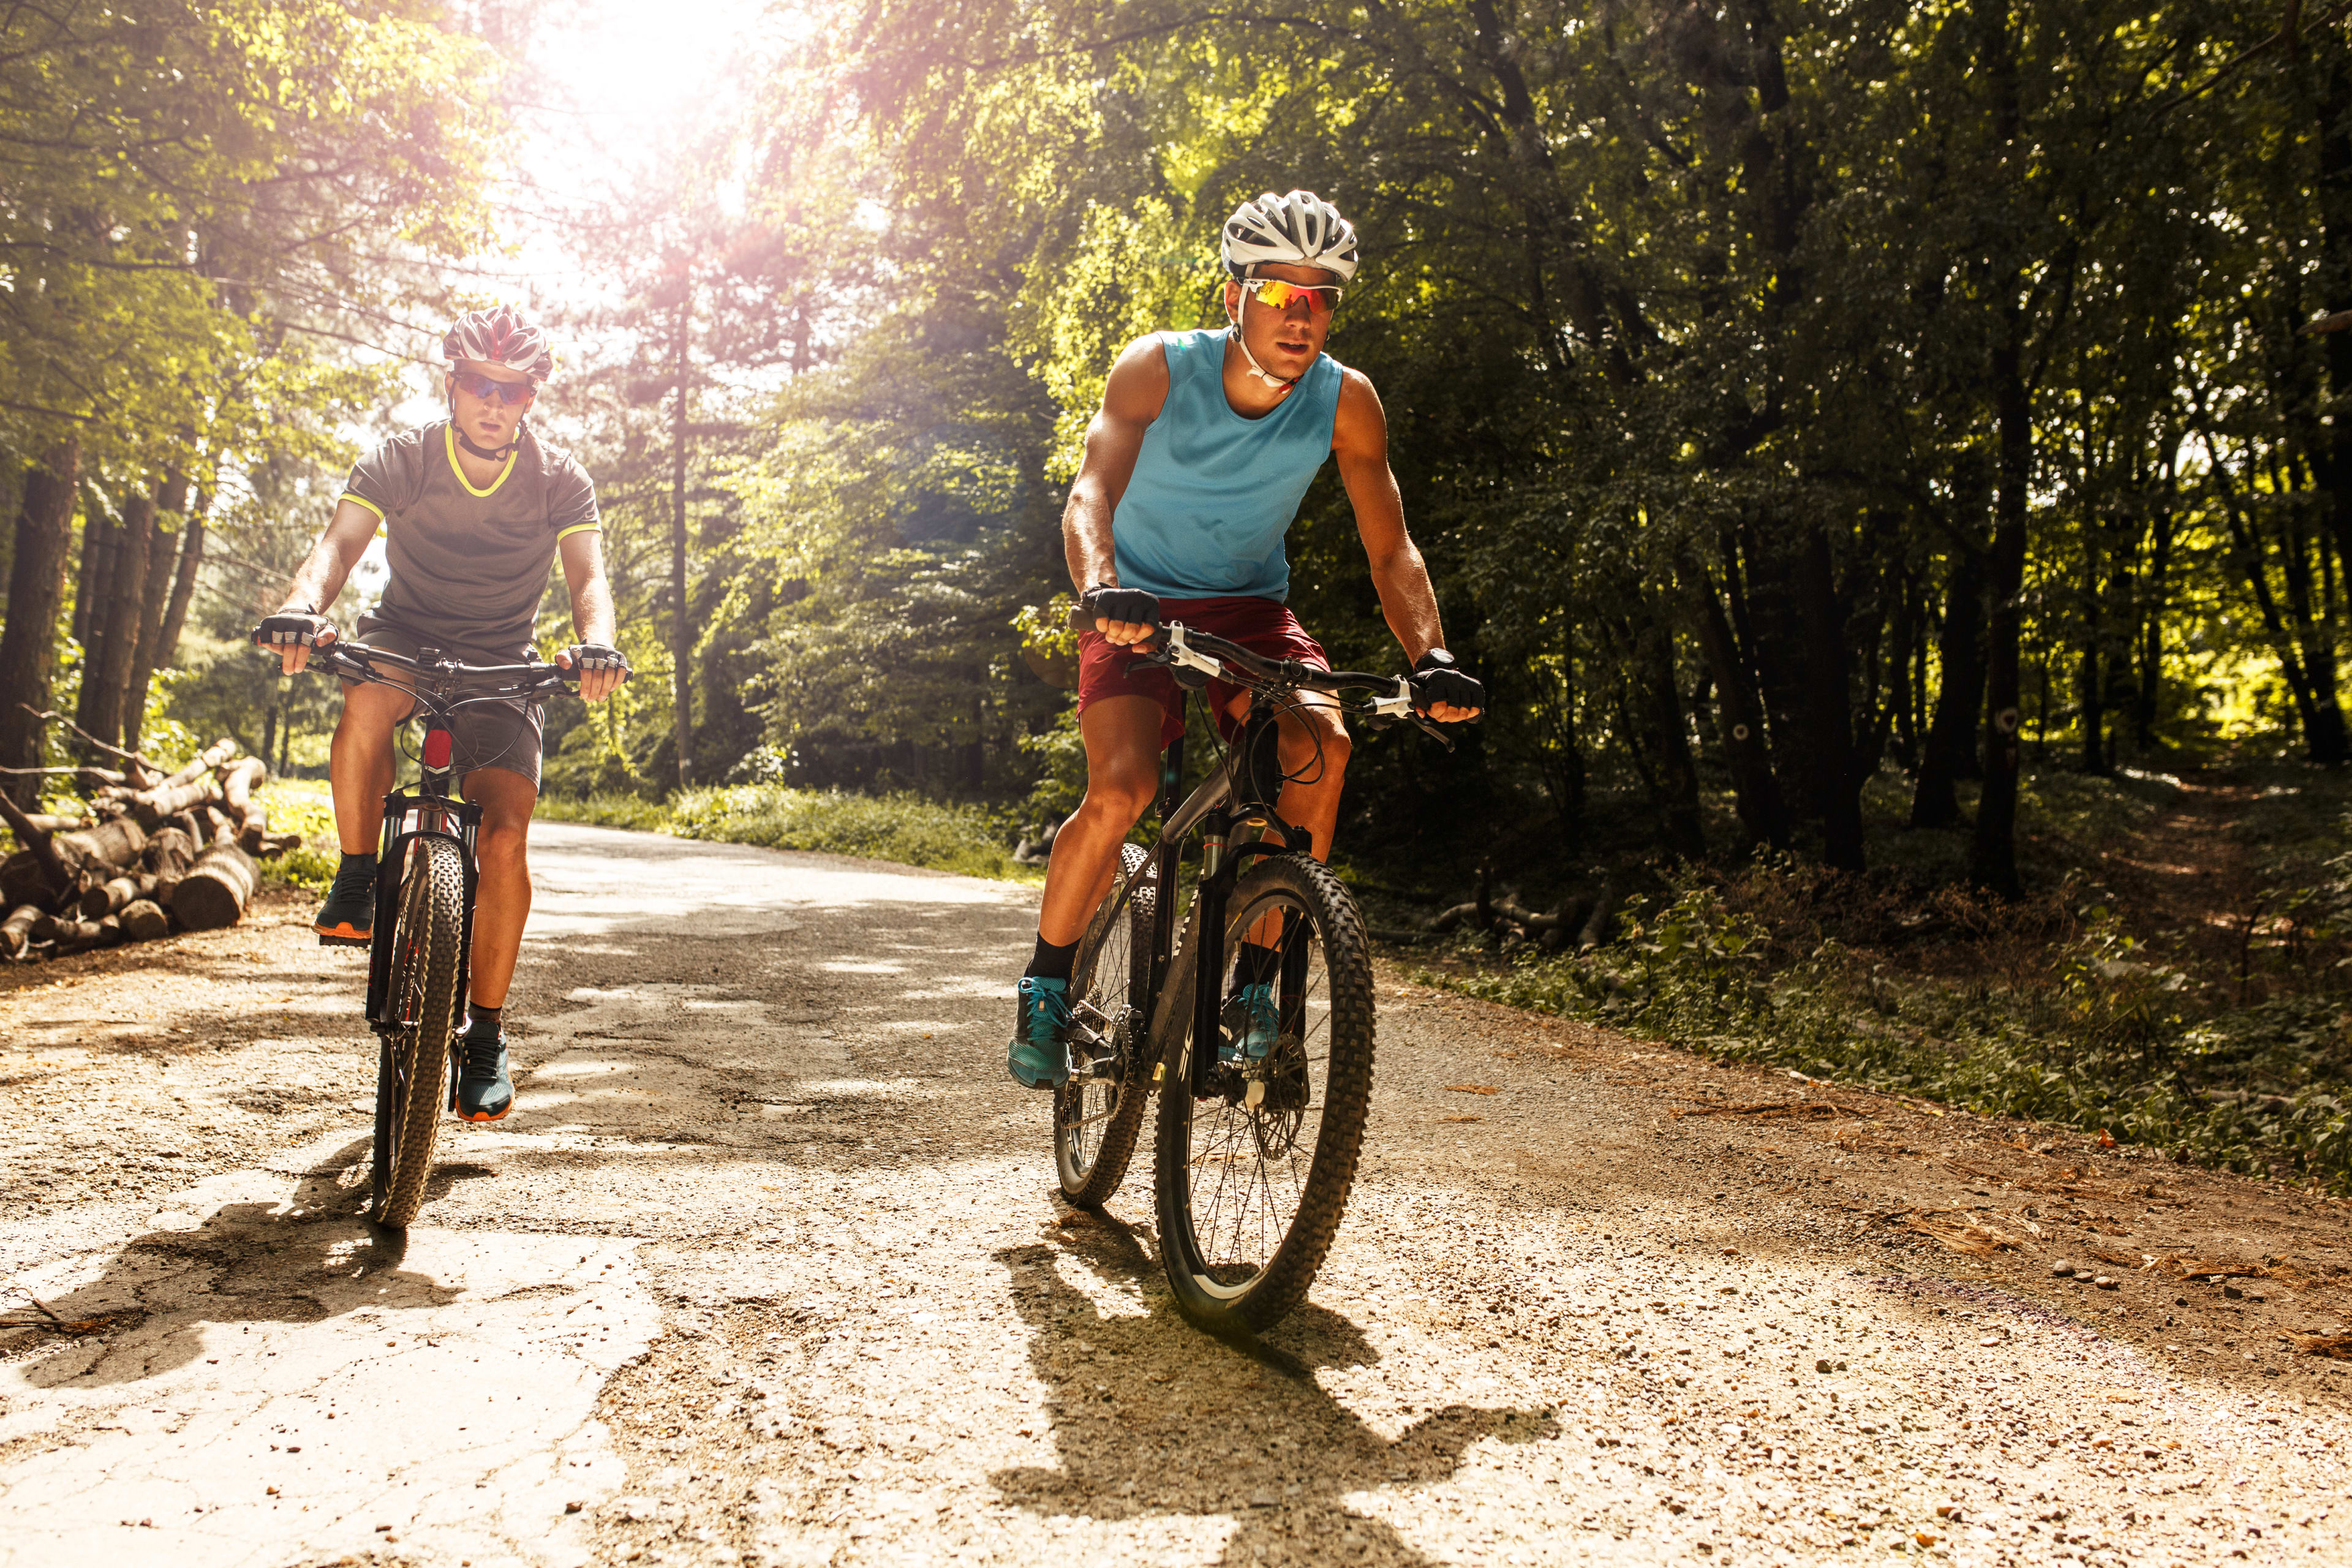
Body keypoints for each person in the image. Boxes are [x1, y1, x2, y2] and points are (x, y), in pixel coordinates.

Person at [1009, 190, 1485, 1090]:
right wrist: (1104, 587)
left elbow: (1391, 549)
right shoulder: (1157, 368)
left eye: (1321, 297)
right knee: (1124, 787)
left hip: (1249, 611)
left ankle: (1254, 989)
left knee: (1322, 745)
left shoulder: (1348, 403)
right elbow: (1089, 495)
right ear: (1234, 299)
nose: (1300, 315)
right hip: (1136, 601)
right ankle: (1047, 982)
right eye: (1278, 292)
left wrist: (1433, 659)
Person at [253, 306, 629, 1121]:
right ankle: (357, 874)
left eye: (511, 389)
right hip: (405, 636)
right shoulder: (403, 459)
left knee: (504, 834)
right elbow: (338, 547)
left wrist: (596, 643)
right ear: (452, 385)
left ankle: (486, 1036)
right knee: (365, 701)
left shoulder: (560, 477)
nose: (493, 402)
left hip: (505, 657)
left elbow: (587, 580)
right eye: (478, 386)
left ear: (531, 396)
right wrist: (301, 605)